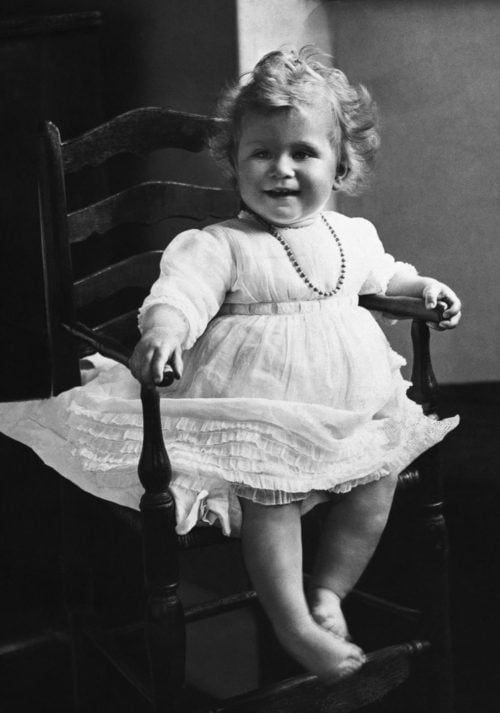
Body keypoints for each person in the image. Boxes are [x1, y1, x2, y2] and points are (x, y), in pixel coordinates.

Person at [0, 47, 460, 683]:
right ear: (235, 163)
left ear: (342, 164)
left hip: (347, 413)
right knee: (268, 490)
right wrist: (164, 332)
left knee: (381, 474)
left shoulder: (351, 236)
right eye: (261, 153)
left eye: (304, 153)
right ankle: (291, 618)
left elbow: (390, 277)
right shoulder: (218, 245)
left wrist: (424, 291)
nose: (281, 168)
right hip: (255, 413)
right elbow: (177, 297)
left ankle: (328, 590)